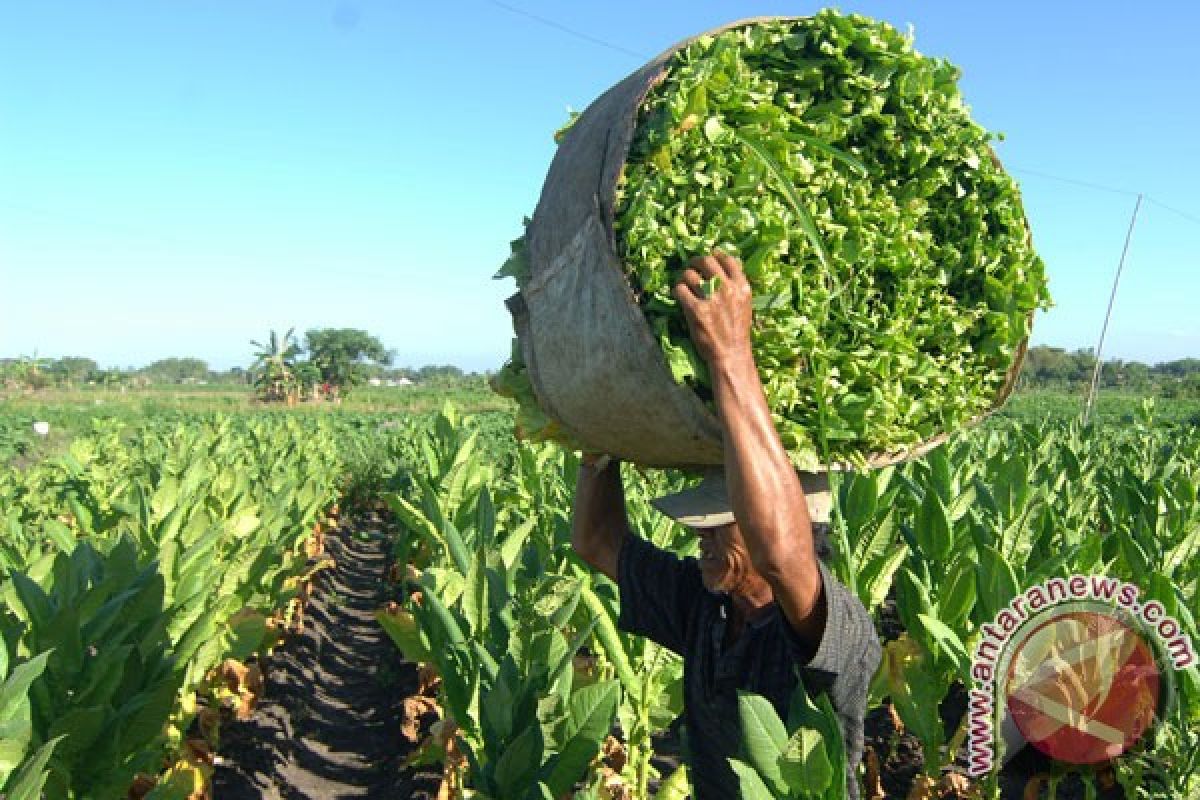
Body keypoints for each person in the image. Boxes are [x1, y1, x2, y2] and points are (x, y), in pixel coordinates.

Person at [571, 252, 882, 799]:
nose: (699, 534)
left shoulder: (834, 627)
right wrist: (600, 428)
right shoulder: (708, 604)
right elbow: (597, 542)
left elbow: (782, 558)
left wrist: (731, 353)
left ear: (796, 523)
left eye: (719, 521)